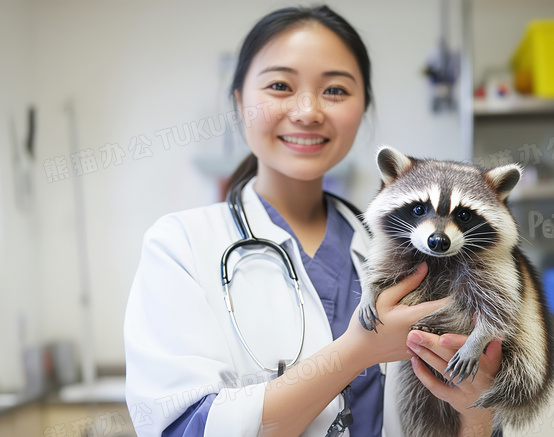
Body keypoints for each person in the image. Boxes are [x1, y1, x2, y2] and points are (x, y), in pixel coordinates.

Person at [124, 5, 503, 436]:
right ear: (238, 102)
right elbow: (183, 428)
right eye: (280, 85)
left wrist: (478, 410)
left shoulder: (418, 251)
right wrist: (358, 351)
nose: (307, 111)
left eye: (336, 90)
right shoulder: (181, 246)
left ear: (363, 109)